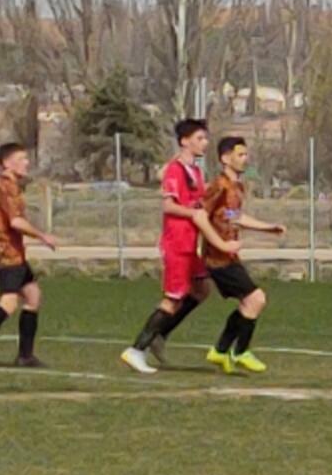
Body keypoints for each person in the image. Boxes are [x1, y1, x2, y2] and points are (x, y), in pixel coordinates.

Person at [121, 119, 224, 374]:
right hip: (177, 242)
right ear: (184, 141)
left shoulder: (196, 172)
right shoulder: (175, 170)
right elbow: (169, 205)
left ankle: (160, 335)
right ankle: (136, 350)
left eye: (205, 138)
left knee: (201, 289)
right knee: (173, 298)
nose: (205, 143)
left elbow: (199, 202)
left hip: (191, 243)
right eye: (199, 138)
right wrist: (193, 213)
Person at [199, 135, 287, 374]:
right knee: (256, 299)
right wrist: (221, 244)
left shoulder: (237, 186)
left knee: (249, 303)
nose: (245, 158)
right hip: (217, 259)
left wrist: (268, 227)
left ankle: (220, 351)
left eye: (246, 154)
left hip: (228, 257)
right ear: (225, 158)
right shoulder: (219, 185)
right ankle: (239, 352)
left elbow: (234, 217)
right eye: (240, 154)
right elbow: (200, 216)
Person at [0, 143, 57, 367]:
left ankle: (25, 355)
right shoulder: (7, 186)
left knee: (33, 296)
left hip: (11, 250)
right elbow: (16, 221)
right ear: (7, 163)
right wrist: (42, 236)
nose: (27, 163)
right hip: (7, 252)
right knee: (8, 301)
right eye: (21, 159)